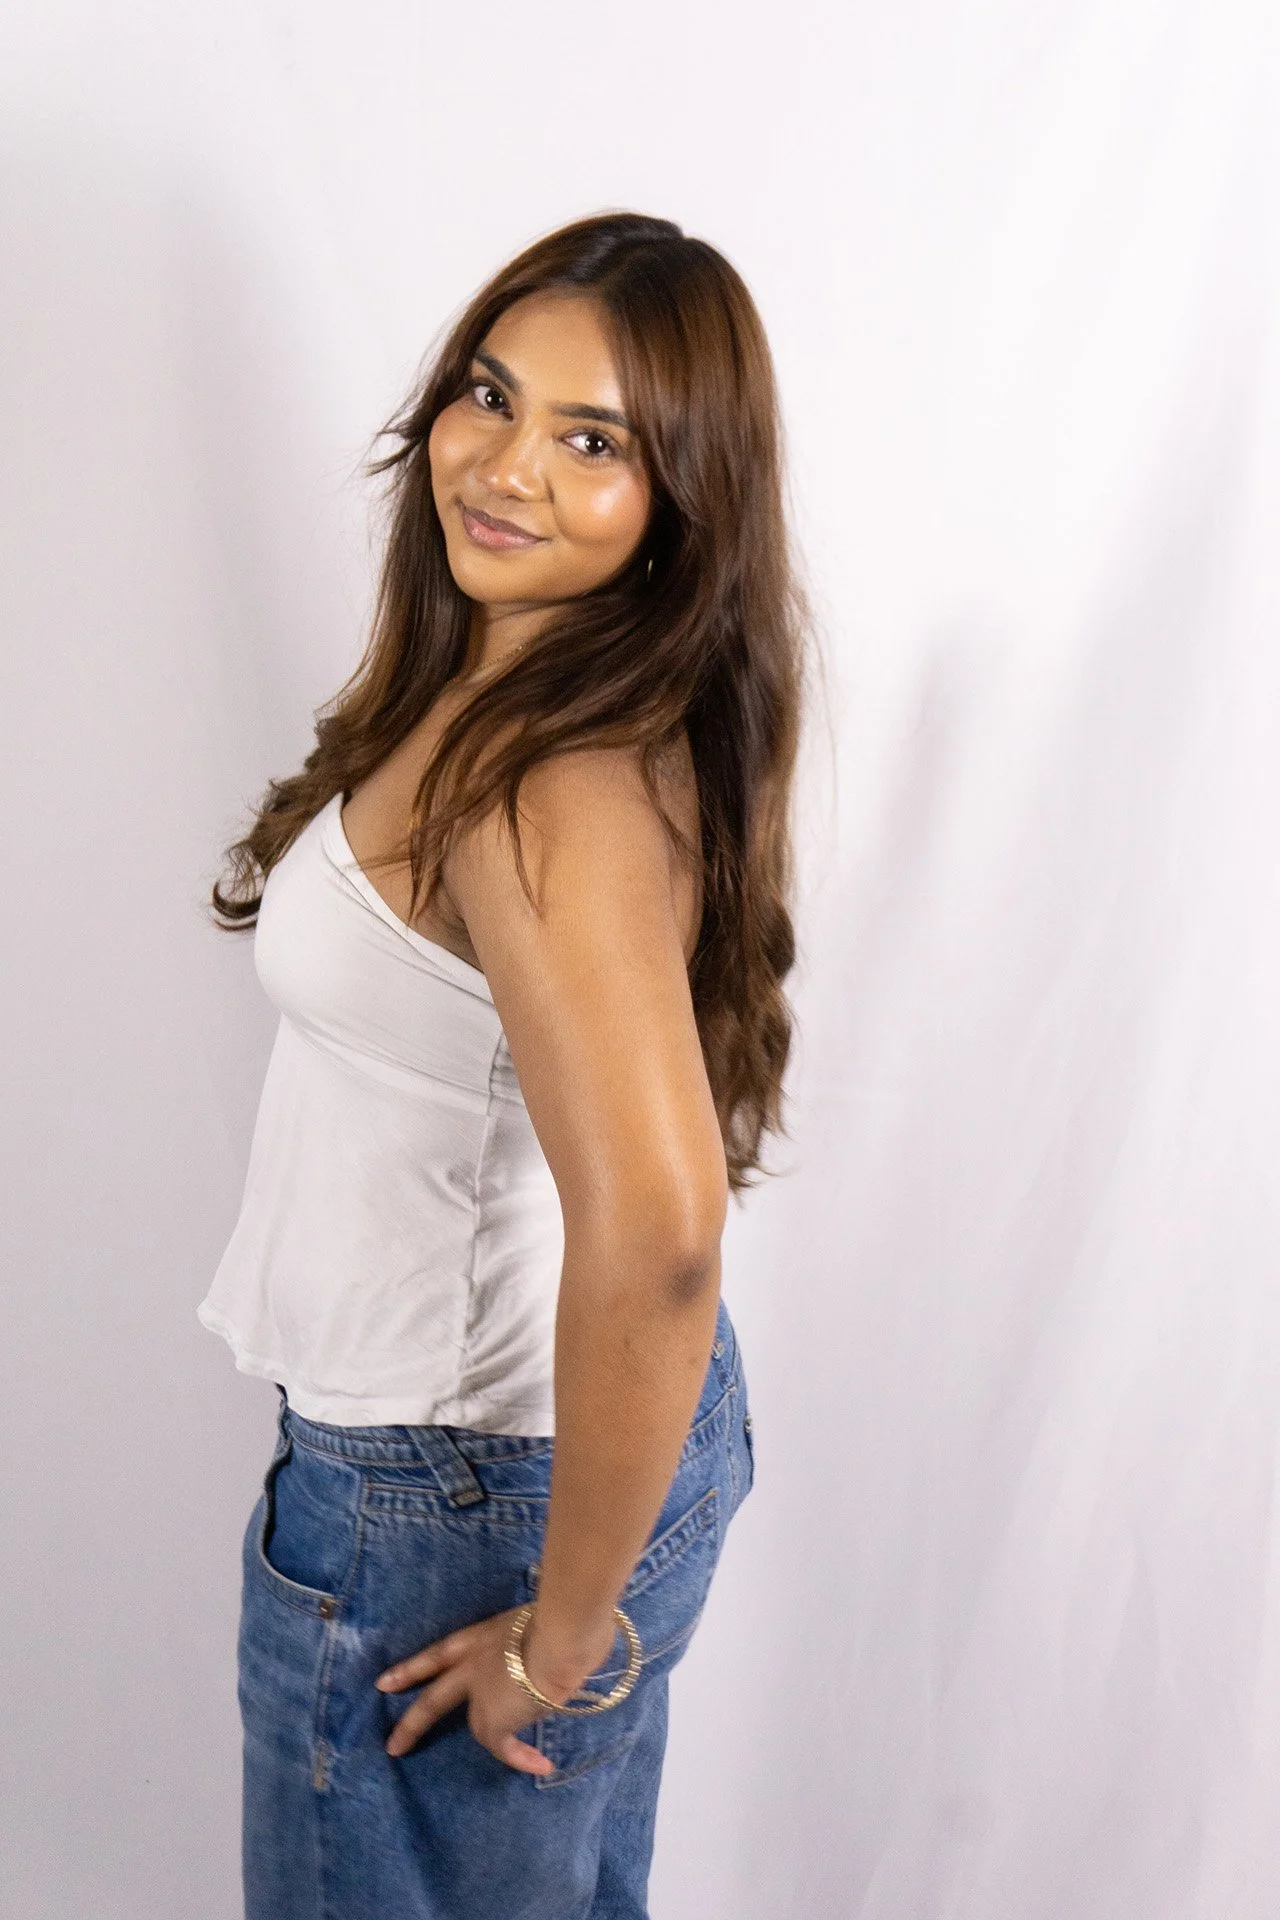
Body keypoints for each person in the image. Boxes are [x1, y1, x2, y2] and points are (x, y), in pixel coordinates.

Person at [201, 210, 806, 1920]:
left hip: (453, 1500)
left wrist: (559, 1639)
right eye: (491, 394)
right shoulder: (536, 704)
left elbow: (664, 1231)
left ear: (683, 497)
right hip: (536, 1456)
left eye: (593, 441)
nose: (507, 465)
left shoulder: (546, 781)